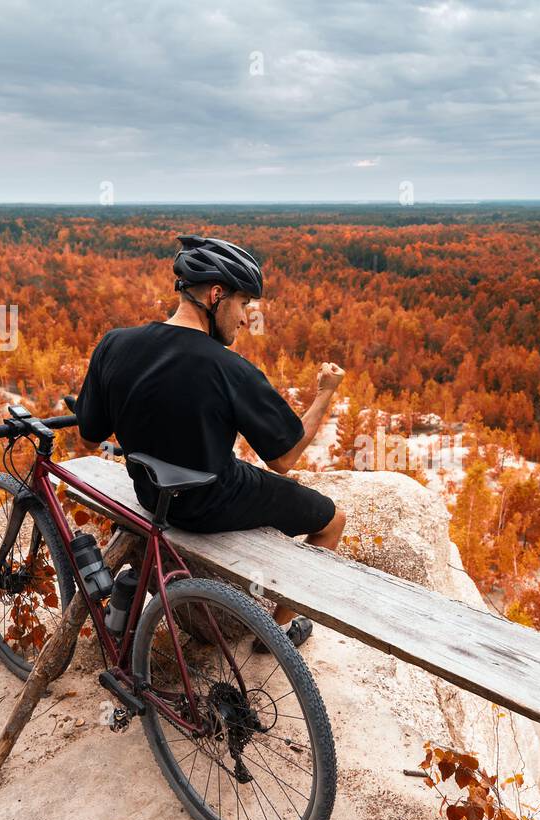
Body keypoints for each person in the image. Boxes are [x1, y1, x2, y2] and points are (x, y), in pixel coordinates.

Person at [75, 234, 346, 651]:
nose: (243, 319)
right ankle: (272, 637)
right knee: (333, 521)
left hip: (151, 495)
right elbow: (285, 457)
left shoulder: (115, 344)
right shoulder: (229, 368)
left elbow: (89, 434)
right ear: (216, 295)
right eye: (242, 305)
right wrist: (325, 393)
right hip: (208, 502)